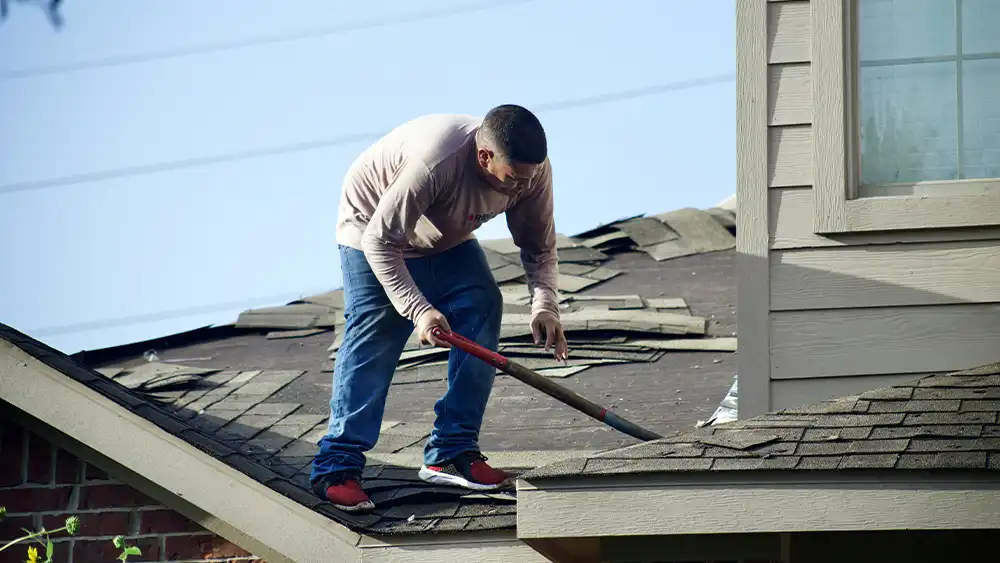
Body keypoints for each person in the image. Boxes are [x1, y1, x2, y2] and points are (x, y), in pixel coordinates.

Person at [309, 105, 569, 512]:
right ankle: (336, 467)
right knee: (377, 332)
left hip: (443, 237)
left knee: (482, 303)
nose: (522, 187)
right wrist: (418, 309)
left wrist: (545, 306)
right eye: (514, 178)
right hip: (372, 232)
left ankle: (451, 451)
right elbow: (381, 241)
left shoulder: (531, 172)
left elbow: (539, 245)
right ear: (485, 157)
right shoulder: (436, 162)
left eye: (529, 177)